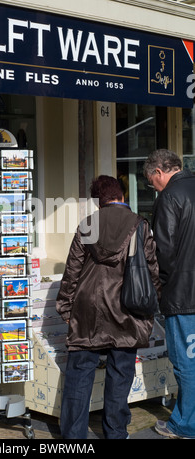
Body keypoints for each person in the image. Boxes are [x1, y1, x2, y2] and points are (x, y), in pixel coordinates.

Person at [56, 175, 160, 439]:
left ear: (97, 202)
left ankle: (73, 436)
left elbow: (72, 272)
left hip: (87, 309)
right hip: (128, 308)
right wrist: (151, 305)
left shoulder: (88, 224)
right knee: (120, 373)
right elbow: (152, 271)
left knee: (79, 373)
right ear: (121, 196)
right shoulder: (139, 224)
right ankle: (115, 432)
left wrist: (66, 309)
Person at [143, 149, 195, 439]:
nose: (153, 187)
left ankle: (184, 425)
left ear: (159, 172)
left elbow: (164, 253)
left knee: (187, 363)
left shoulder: (169, 197)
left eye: (152, 182)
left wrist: (159, 288)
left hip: (184, 296)